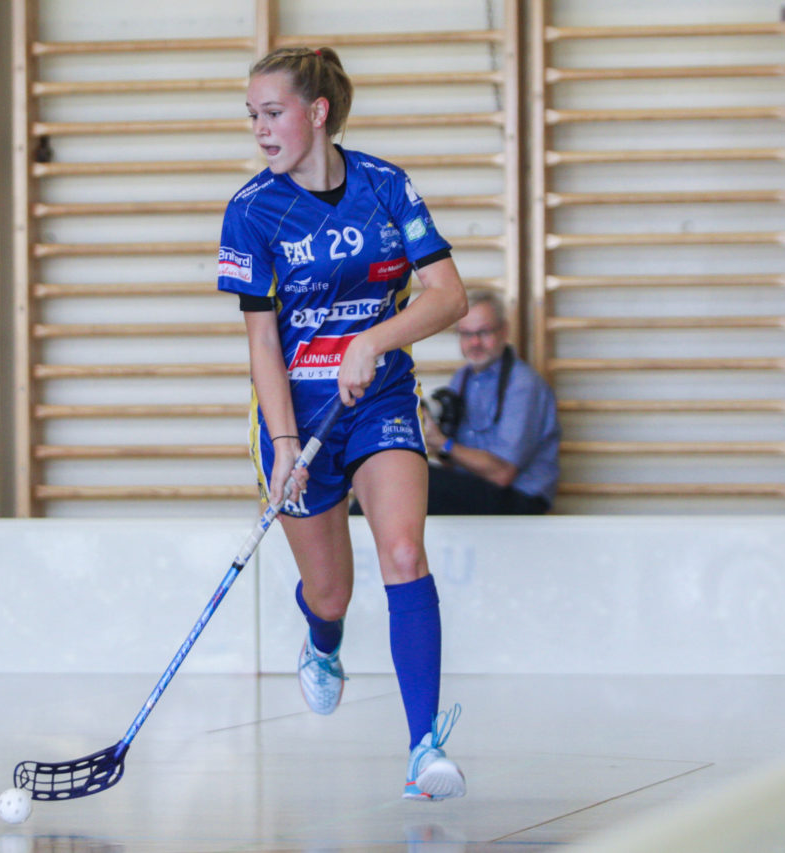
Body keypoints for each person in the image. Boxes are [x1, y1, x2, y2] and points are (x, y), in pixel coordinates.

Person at [217, 46, 468, 801]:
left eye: (273, 113)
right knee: (331, 594)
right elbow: (263, 339)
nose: (260, 130)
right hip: (298, 417)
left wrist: (373, 342)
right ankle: (322, 642)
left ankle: (423, 746)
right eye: (252, 116)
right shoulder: (251, 210)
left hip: (381, 402)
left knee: (402, 549)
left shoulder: (386, 186)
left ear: (316, 112)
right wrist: (286, 445)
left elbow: (448, 295)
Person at [422, 291, 560, 515]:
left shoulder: (523, 385)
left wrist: (443, 444)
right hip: (477, 487)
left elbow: (502, 474)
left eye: (483, 332)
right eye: (466, 334)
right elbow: (453, 461)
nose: (474, 342)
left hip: (520, 497)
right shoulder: (462, 378)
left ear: (504, 331)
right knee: (400, 475)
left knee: (414, 480)